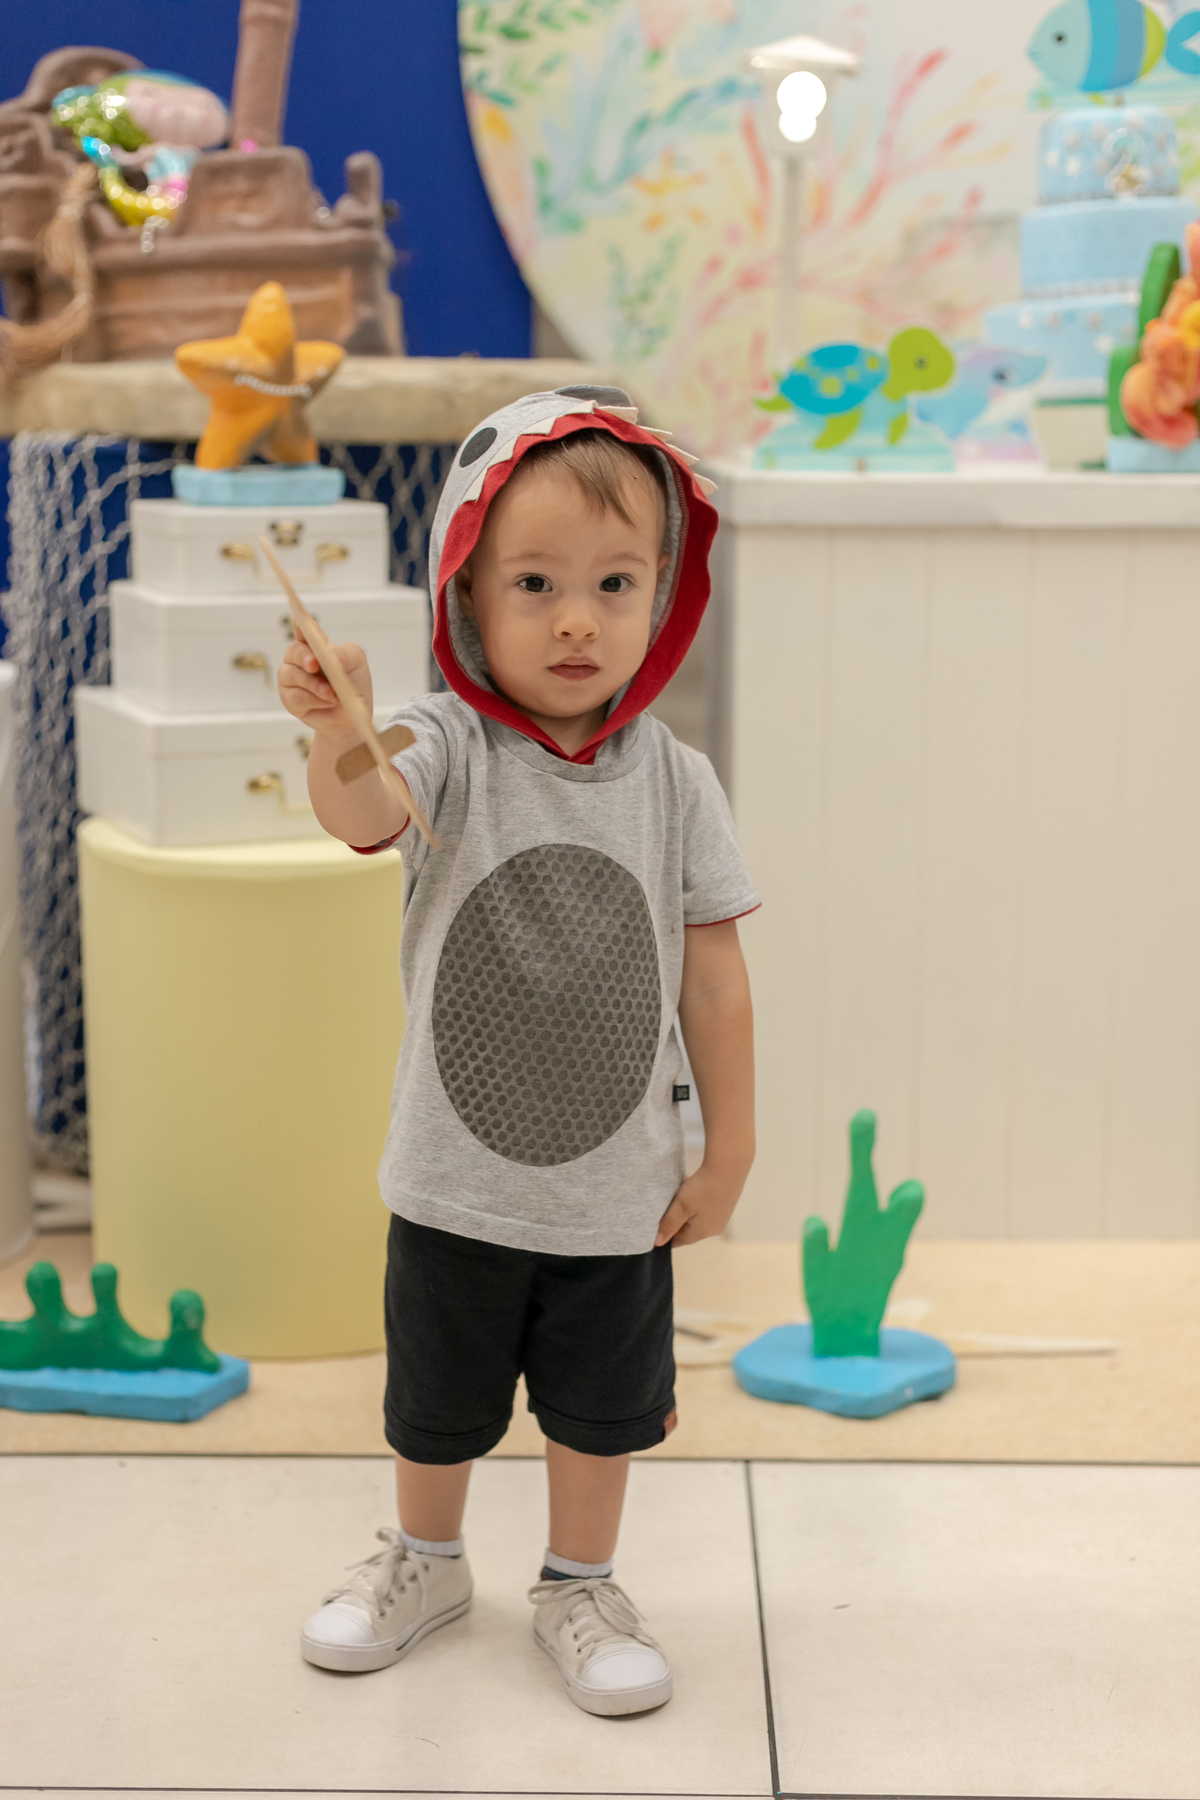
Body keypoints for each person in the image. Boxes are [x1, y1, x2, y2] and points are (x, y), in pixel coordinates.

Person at [277, 385, 758, 1717]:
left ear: (663, 593)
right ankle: (426, 1562)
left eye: (614, 583)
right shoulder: (447, 742)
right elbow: (361, 810)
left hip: (618, 1191)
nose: (575, 619)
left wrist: (730, 1148)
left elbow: (717, 977)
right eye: (535, 583)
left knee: (603, 1410)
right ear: (468, 597)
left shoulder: (678, 781)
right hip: (454, 1179)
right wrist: (339, 730)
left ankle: (578, 1583)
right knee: (434, 1403)